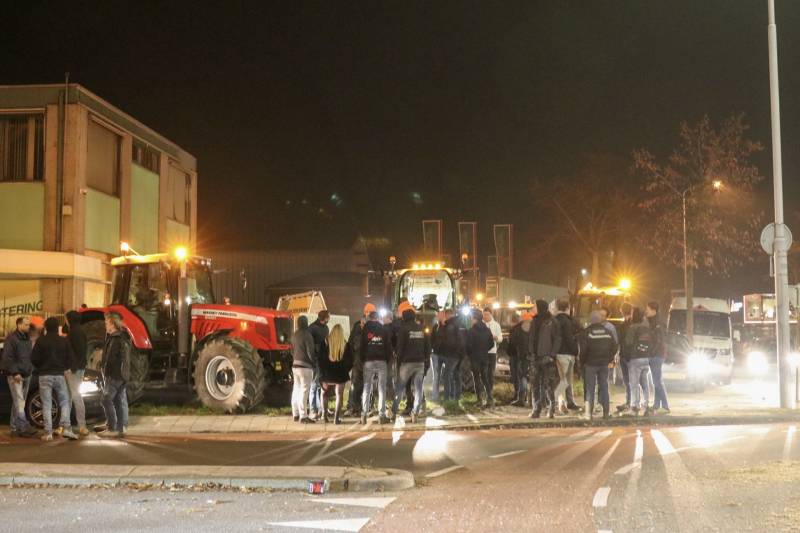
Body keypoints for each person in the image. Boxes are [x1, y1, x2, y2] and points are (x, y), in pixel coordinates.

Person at [31, 317, 78, 441]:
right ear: (57, 328)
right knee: (64, 402)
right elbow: (70, 358)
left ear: (46, 327)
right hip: (59, 375)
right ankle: (67, 428)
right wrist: (64, 367)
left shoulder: (41, 341)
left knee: (46, 403)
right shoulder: (64, 341)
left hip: (45, 375)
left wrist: (41, 367)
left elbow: (34, 358)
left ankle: (48, 432)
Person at [393, 307, 431, 422]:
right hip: (420, 362)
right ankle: (415, 412)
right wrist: (426, 360)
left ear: (404, 318)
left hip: (407, 363)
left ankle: (393, 411)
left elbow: (400, 348)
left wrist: (398, 363)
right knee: (418, 389)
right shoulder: (422, 328)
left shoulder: (403, 329)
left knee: (400, 387)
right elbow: (427, 346)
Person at [1, 317, 37, 438]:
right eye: (26, 325)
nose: (28, 327)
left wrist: (30, 369)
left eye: (28, 325)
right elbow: (7, 358)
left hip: (26, 374)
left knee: (18, 402)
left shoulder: (26, 338)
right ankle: (23, 426)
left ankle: (14, 427)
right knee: (19, 402)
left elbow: (29, 356)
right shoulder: (12, 339)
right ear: (19, 325)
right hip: (15, 376)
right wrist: (15, 372)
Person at [580, 311, 618, 419]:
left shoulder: (587, 332)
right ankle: (606, 413)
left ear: (591, 320)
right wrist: (609, 358)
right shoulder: (608, 332)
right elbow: (614, 347)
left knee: (590, 388)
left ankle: (588, 414)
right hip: (604, 364)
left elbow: (583, 350)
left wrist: (582, 362)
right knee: (604, 387)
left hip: (590, 364)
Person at [99, 312, 131, 437]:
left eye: (107, 323)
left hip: (114, 374)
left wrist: (106, 372)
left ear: (112, 324)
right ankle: (120, 429)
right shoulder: (122, 337)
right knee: (118, 401)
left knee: (106, 399)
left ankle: (112, 427)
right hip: (122, 375)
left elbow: (111, 359)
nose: (105, 325)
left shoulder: (115, 339)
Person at [529, 299, 561, 419]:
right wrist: (531, 353)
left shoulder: (552, 321)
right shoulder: (535, 321)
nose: (534, 308)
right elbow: (531, 338)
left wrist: (552, 355)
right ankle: (536, 409)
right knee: (535, 384)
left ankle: (551, 408)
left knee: (549, 385)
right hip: (536, 358)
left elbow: (557, 339)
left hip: (548, 358)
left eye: (535, 306)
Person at [360, 310, 391, 424]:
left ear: (369, 318)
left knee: (367, 387)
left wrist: (363, 359)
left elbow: (362, 346)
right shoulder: (384, 329)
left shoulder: (365, 329)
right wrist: (387, 359)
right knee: (381, 388)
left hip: (368, 361)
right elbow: (388, 346)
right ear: (378, 318)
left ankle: (363, 415)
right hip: (381, 360)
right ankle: (381, 415)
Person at [319, 324, 353, 424]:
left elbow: (320, 359)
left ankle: (324, 416)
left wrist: (322, 370)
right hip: (340, 374)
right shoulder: (345, 344)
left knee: (323, 394)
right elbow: (350, 361)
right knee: (339, 395)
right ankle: (336, 418)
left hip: (327, 374)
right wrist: (345, 370)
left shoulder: (325, 343)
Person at [345, 304, 373, 417]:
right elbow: (353, 343)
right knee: (356, 385)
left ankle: (364, 407)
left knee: (366, 385)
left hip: (367, 361)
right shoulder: (358, 326)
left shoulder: (374, 326)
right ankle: (353, 407)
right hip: (359, 361)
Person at [553, 299, 581, 413]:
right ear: (568, 308)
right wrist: (575, 351)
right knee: (566, 380)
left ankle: (565, 402)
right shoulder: (568, 321)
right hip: (568, 354)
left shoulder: (553, 320)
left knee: (562, 380)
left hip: (558, 353)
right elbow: (569, 338)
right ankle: (561, 403)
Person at [65, 311, 89, 436]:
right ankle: (66, 425)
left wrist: (72, 367)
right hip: (78, 367)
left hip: (75, 369)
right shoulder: (78, 330)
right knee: (70, 396)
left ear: (69, 319)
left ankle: (81, 425)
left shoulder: (75, 332)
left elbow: (78, 351)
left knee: (75, 396)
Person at [625, 307, 653, 416]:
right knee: (645, 383)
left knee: (634, 384)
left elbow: (628, 343)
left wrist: (627, 356)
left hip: (635, 358)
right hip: (646, 358)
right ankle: (645, 405)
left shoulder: (633, 328)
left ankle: (634, 406)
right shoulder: (647, 328)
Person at [466, 309, 494, 408]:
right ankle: (490, 399)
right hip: (485, 358)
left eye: (471, 318)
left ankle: (480, 400)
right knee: (485, 378)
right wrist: (484, 350)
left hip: (475, 359)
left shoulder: (471, 331)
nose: (470, 320)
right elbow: (491, 344)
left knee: (477, 379)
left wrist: (470, 354)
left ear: (475, 319)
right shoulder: (487, 330)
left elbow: (468, 346)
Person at [291, 315, 316, 423]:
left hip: (295, 366)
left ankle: (295, 414)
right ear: (306, 323)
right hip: (305, 367)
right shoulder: (307, 335)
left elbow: (291, 351)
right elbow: (310, 352)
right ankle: (303, 416)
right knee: (304, 391)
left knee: (296, 389)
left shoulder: (294, 335)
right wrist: (313, 363)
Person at [647, 301, 669, 414]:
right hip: (656, 354)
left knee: (657, 381)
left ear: (653, 310)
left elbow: (659, 341)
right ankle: (656, 405)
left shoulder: (658, 323)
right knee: (656, 380)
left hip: (657, 355)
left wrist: (651, 353)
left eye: (648, 309)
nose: (646, 311)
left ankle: (665, 406)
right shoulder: (653, 322)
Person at [308, 310, 330, 420]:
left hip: (323, 360)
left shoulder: (325, 328)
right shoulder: (312, 328)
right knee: (314, 385)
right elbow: (310, 345)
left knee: (322, 386)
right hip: (316, 360)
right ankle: (313, 410)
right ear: (325, 318)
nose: (329, 318)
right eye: (328, 316)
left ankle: (322, 408)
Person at [507, 312, 533, 406]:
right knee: (533, 378)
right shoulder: (535, 328)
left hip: (521, 356)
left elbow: (512, 343)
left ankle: (521, 398)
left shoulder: (517, 329)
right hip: (533, 356)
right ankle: (531, 400)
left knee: (522, 376)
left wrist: (511, 352)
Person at [440, 309, 466, 401]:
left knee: (446, 375)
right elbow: (464, 339)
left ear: (448, 315)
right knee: (456, 375)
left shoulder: (450, 326)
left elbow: (449, 341)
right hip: (460, 354)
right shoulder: (461, 324)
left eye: (445, 316)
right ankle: (457, 397)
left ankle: (447, 398)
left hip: (452, 354)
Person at [616, 303, 635, 413]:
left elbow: (619, 341)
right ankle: (632, 401)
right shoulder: (634, 324)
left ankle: (630, 401)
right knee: (632, 380)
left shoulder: (623, 326)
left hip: (625, 356)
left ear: (622, 311)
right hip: (632, 356)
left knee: (628, 380)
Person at [483, 308, 502, 408]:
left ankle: (490, 395)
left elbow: (501, 338)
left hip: (492, 352)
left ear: (491, 315)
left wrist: (496, 338)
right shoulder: (481, 325)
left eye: (487, 314)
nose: (485, 316)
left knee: (490, 374)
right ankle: (486, 395)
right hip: (483, 352)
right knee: (484, 374)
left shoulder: (496, 325)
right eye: (484, 314)